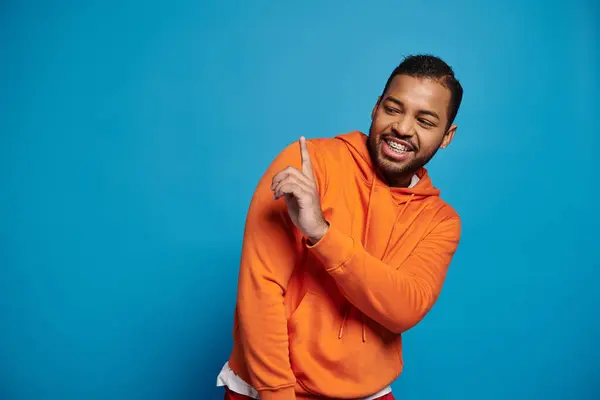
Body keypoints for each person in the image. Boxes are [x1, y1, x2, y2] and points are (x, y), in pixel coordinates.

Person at [216, 54, 464, 400]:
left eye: (425, 121)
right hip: (268, 389)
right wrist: (276, 393)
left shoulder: (440, 221)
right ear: (376, 108)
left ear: (447, 136)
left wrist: (322, 234)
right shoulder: (308, 165)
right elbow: (261, 289)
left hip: (365, 392)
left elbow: (403, 309)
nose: (403, 128)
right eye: (394, 109)